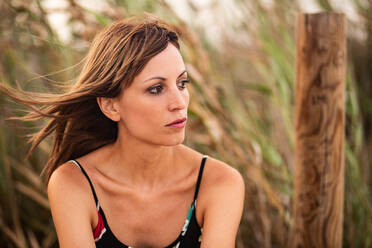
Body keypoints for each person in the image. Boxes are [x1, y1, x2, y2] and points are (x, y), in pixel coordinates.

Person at [1, 15, 244, 248]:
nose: (179, 102)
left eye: (182, 84)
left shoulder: (218, 183)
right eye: (156, 89)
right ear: (110, 105)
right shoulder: (75, 184)